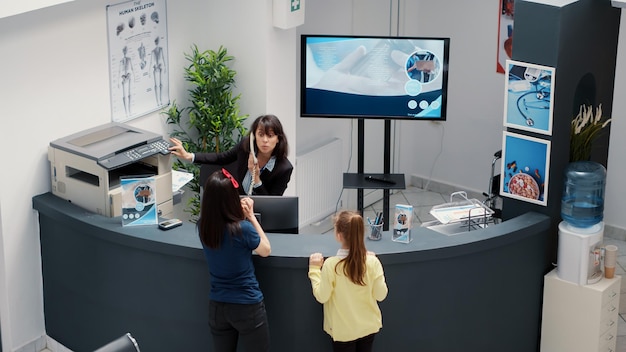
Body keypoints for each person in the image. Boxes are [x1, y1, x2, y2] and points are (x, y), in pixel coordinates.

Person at [198, 168, 271, 352]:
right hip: (247, 306)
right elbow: (265, 250)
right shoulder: (242, 229)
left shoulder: (203, 227)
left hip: (217, 307)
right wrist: (251, 217)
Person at [308, 210, 388, 352]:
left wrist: (314, 270)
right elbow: (381, 295)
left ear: (339, 236)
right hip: (369, 328)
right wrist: (374, 262)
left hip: (343, 332)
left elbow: (322, 296)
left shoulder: (331, 265)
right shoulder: (372, 262)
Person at [169, 114, 293, 196]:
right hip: (235, 206)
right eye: (260, 135)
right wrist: (189, 156)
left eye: (270, 136)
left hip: (261, 216)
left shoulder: (284, 168)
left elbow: (272, 204)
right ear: (254, 136)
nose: (265, 140)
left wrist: (256, 179)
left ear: (278, 139)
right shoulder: (246, 147)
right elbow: (221, 158)